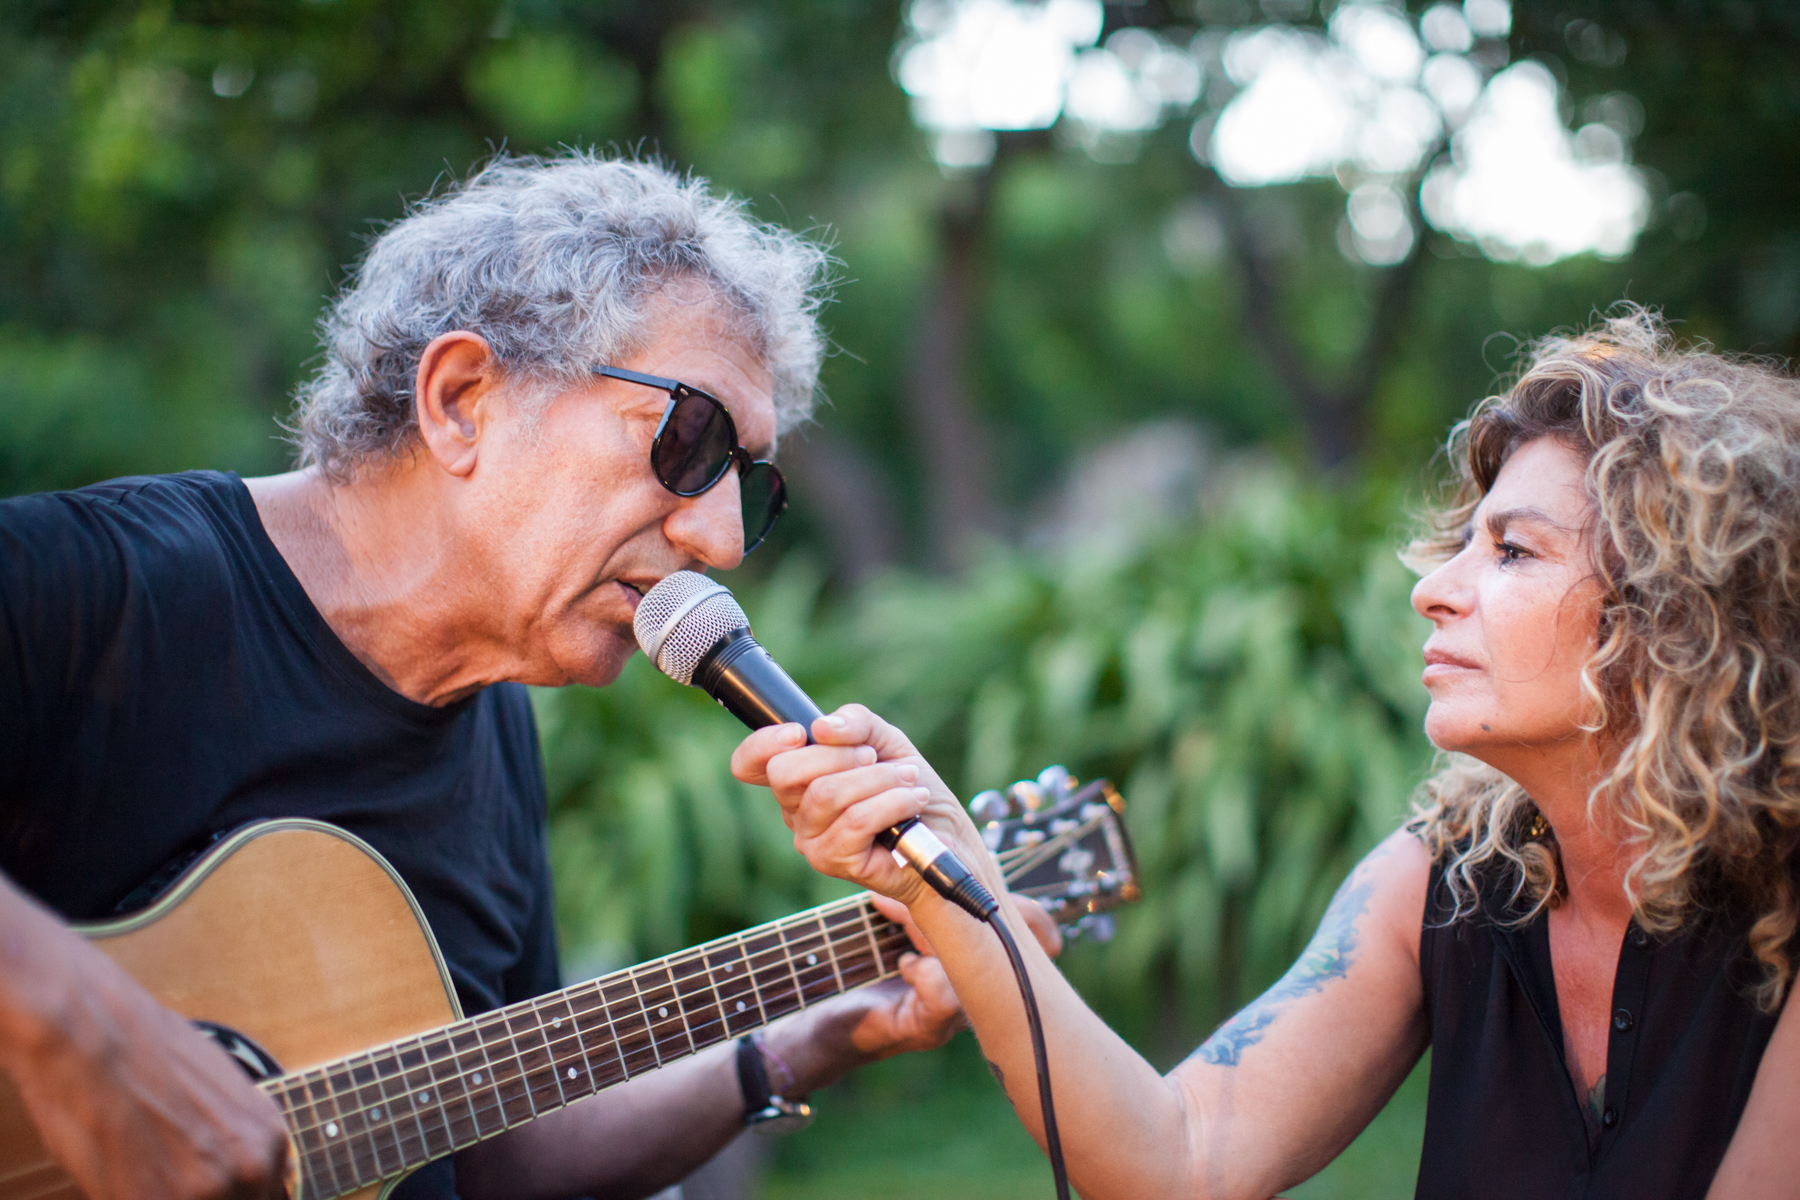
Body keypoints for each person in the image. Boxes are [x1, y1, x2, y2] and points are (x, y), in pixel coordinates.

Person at [0, 152, 1054, 1200]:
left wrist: (829, 1030)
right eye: (690, 440)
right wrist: (72, 1021)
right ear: (463, 400)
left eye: (751, 481)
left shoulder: (495, 733)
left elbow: (499, 1163)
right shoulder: (101, 587)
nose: (726, 539)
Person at [735, 310, 1800, 1199]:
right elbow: (1179, 1158)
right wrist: (947, 881)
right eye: (1466, 540)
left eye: (1513, 550)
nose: (1433, 585)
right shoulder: (1449, 874)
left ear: (1681, 617)